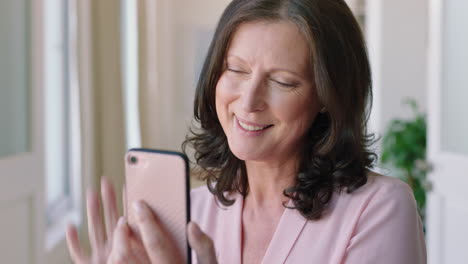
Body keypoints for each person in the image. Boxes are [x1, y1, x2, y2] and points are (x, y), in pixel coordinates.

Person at [66, 0, 427, 263]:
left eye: (283, 81)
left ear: (326, 97)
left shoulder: (379, 209)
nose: (249, 100)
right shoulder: (193, 211)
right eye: (236, 70)